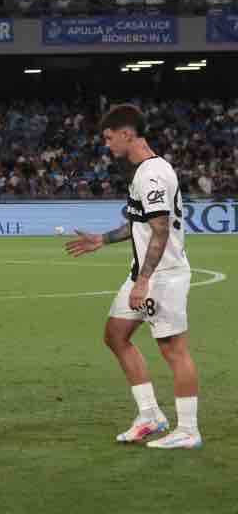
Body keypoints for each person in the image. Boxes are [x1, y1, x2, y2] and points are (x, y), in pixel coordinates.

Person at [65, 104, 200, 448]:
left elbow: (160, 230)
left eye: (109, 137)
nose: (106, 144)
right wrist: (102, 239)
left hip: (161, 276)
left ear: (127, 134)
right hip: (145, 274)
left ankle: (188, 430)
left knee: (173, 349)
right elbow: (141, 223)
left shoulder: (152, 174)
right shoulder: (144, 171)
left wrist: (143, 281)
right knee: (116, 335)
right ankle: (150, 415)